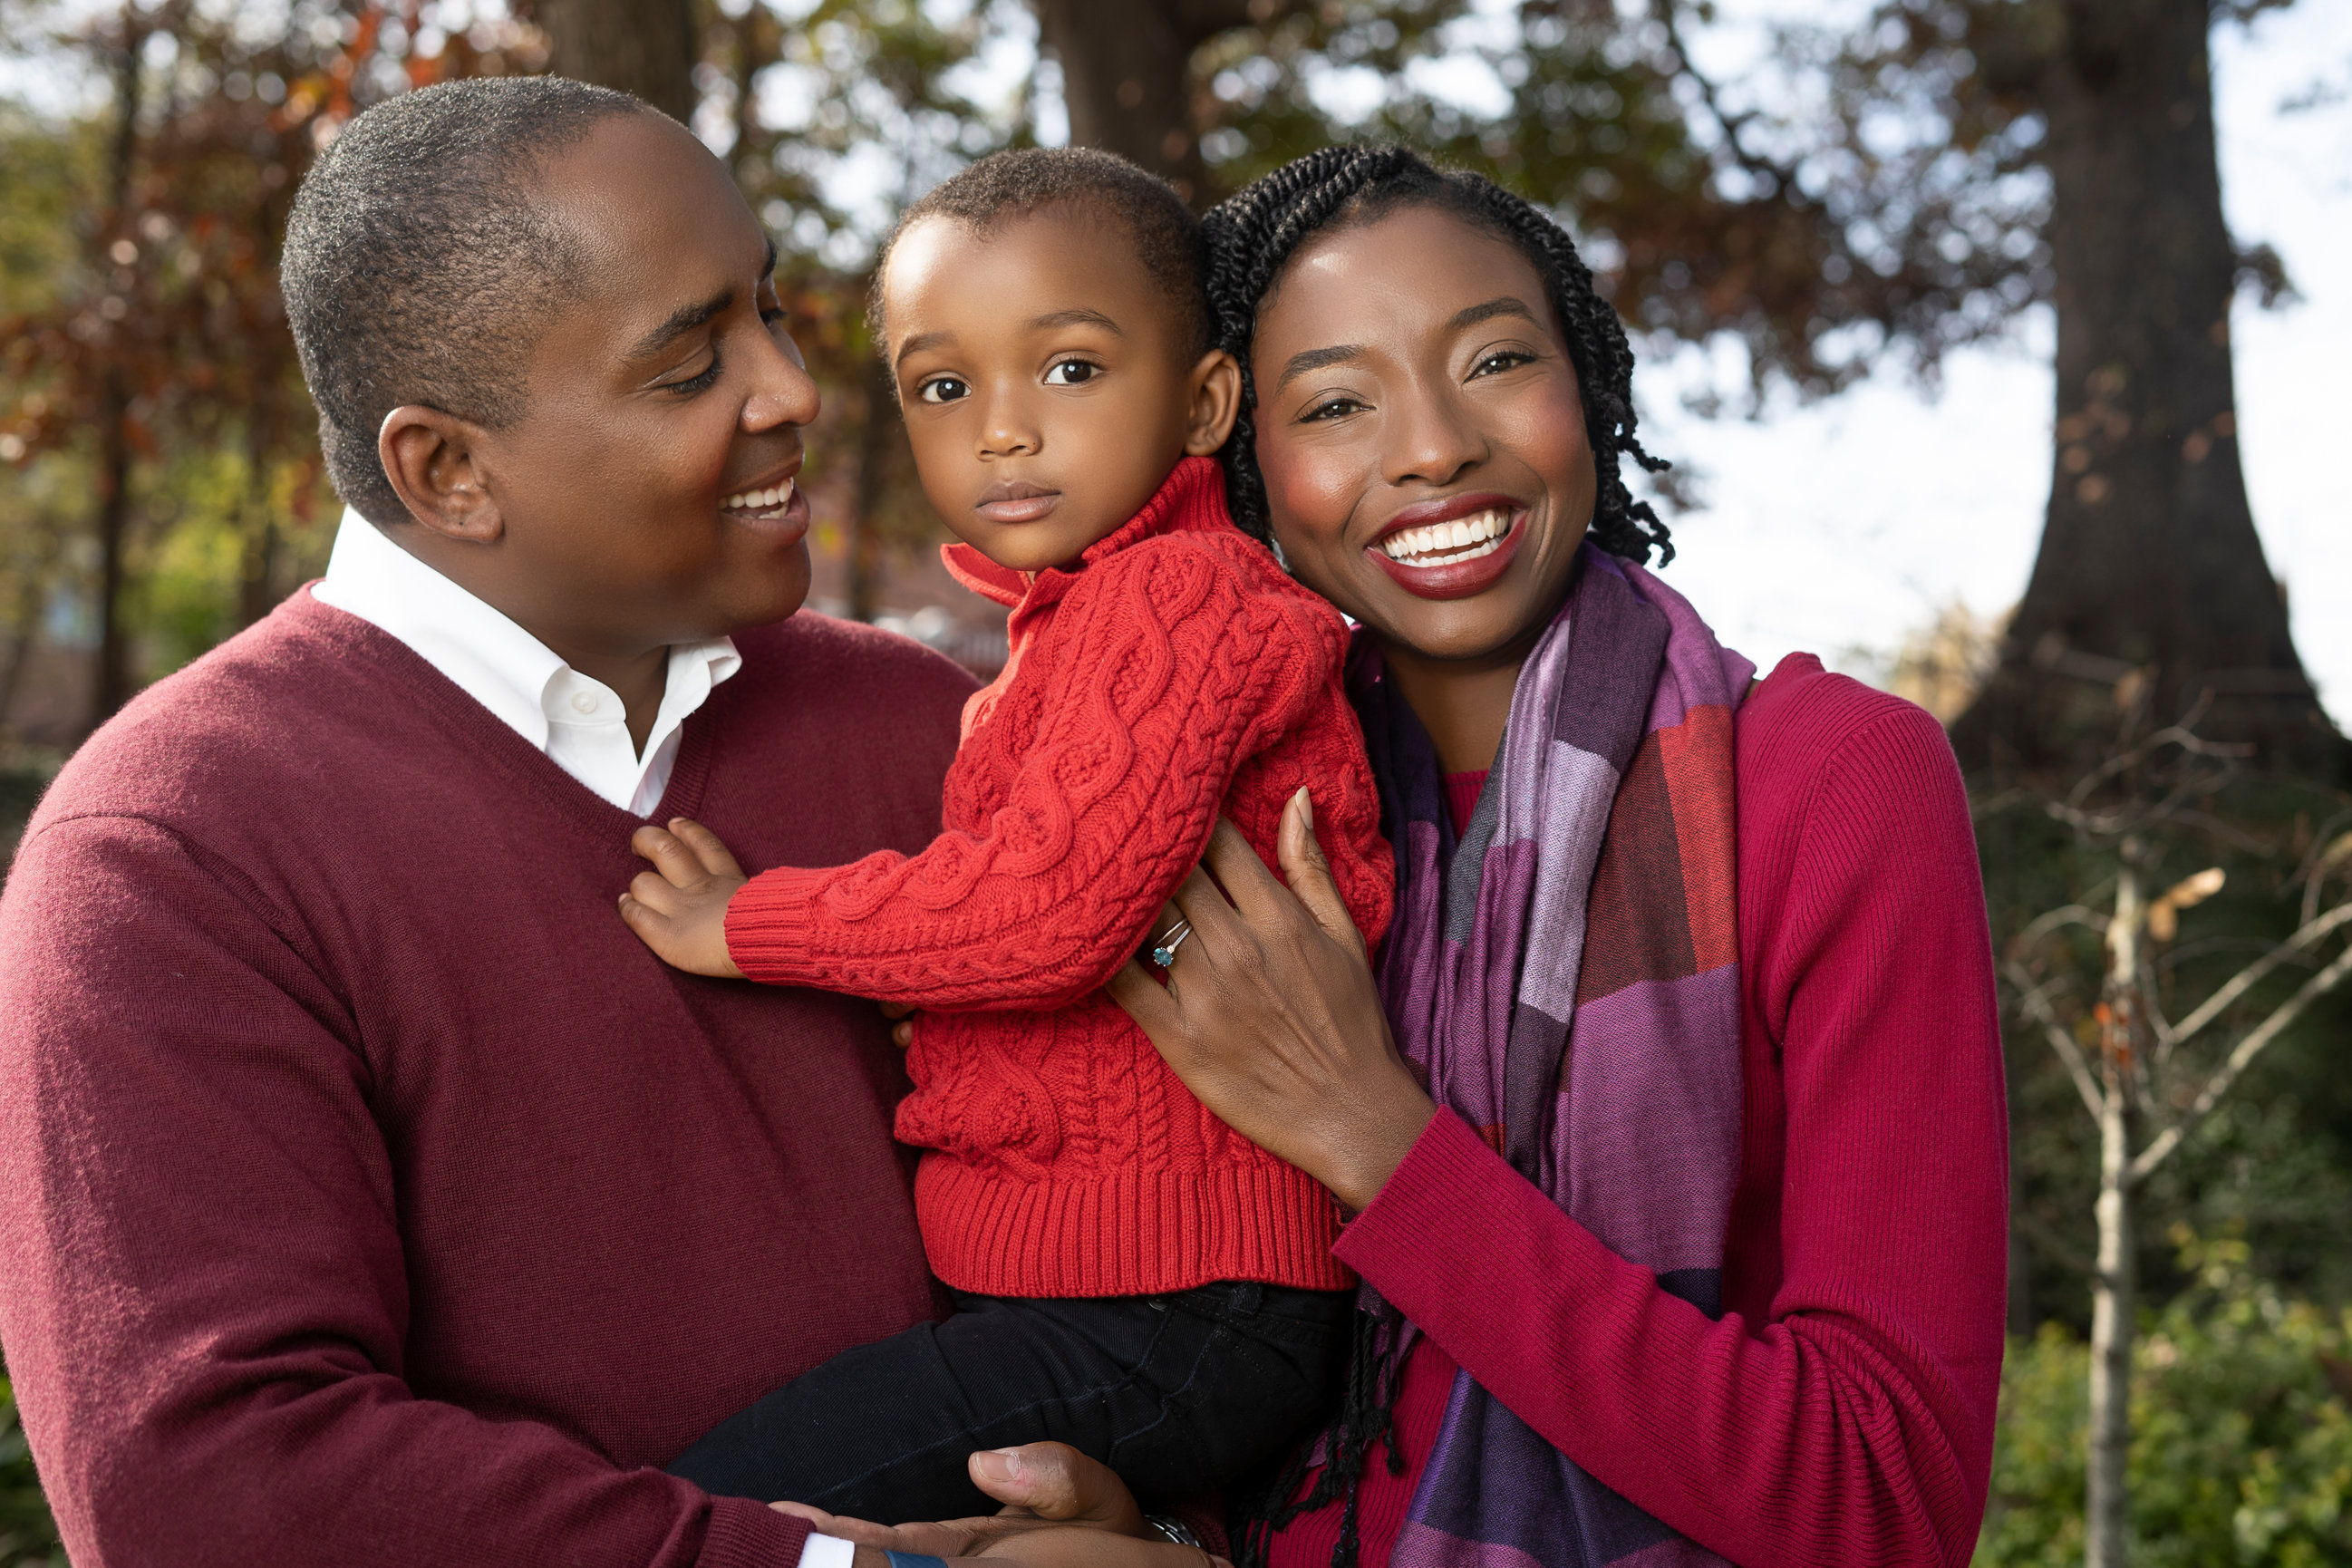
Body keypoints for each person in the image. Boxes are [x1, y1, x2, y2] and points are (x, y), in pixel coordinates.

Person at [0, 79, 1210, 1568]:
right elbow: (212, 1484)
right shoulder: (173, 848)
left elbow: (1177, 1245)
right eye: (692, 363)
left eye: (769, 313)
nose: (793, 391)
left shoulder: (937, 727)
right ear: (448, 470)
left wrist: (1140, 1524)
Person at [1077, 148, 2009, 1568]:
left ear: (1589, 387)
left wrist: (1377, 1139)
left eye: (1496, 359)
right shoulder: (1233, 828)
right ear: (1246, 464)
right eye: (1336, 402)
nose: (1435, 446)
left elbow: (1885, 1498)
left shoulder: (1830, 780)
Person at [617, 149, 1392, 1524]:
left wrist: (746, 924)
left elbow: (1045, 914)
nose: (1003, 431)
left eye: (1072, 369)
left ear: (1206, 400)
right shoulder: (1064, 637)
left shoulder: (1184, 599)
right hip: (1099, 1285)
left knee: (715, 1514)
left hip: (1173, 1296)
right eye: (943, 384)